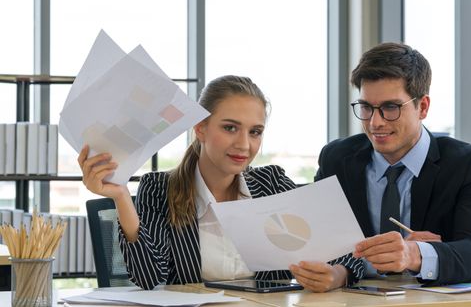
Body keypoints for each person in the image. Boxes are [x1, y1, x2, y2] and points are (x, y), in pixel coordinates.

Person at [78, 75, 363, 291]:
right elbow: (149, 278)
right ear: (200, 128)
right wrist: (122, 198)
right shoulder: (159, 188)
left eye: (255, 132)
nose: (244, 144)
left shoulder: (271, 183)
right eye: (230, 128)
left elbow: (349, 247)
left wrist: (339, 274)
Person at [315, 43, 471, 286]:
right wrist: (342, 270)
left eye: (390, 107)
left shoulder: (467, 163)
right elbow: (318, 240)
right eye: (366, 107)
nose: (375, 122)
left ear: (422, 107)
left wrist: (414, 254)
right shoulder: (336, 158)